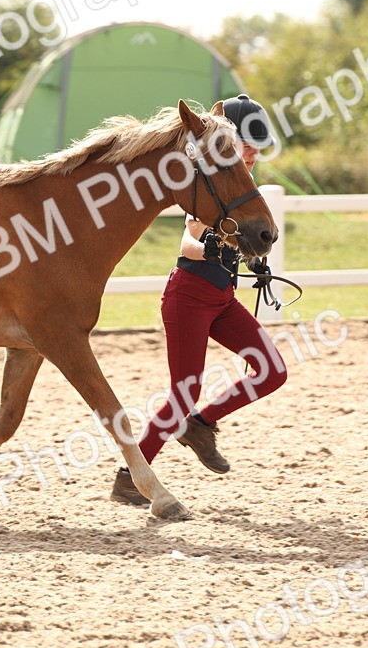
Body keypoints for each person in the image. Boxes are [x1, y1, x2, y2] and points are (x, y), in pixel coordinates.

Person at [112, 95, 288, 506]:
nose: (255, 154)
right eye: (249, 145)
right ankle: (129, 477)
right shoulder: (210, 180)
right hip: (189, 295)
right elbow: (188, 242)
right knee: (182, 394)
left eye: (258, 148)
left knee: (272, 370)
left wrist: (252, 260)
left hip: (221, 298)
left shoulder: (244, 190)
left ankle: (202, 424)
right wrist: (210, 249)